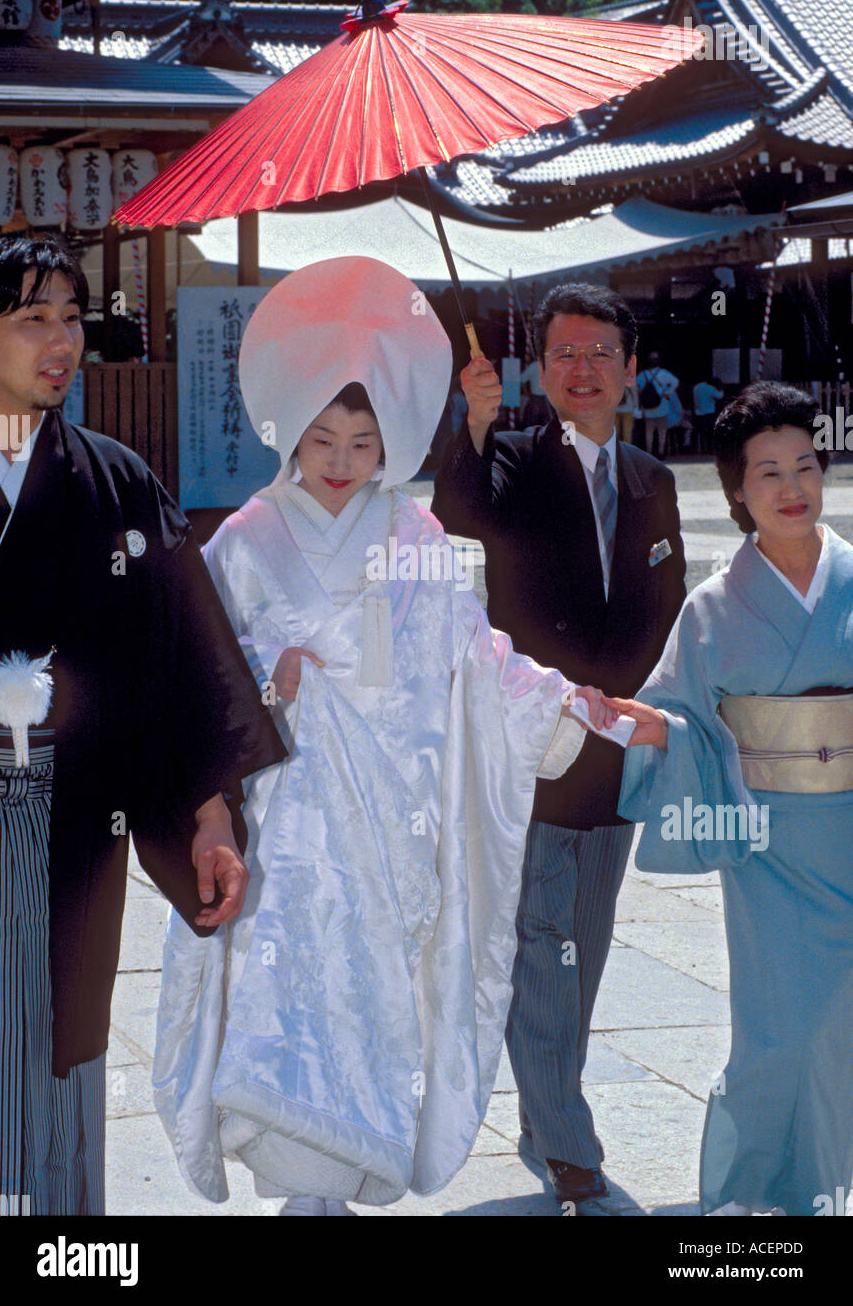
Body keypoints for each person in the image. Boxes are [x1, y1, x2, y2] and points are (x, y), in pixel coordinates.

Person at [152, 257, 611, 1216]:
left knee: (370, 1004)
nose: (340, 459)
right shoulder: (242, 540)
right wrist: (266, 666)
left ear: (388, 440)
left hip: (388, 833)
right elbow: (199, 669)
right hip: (286, 830)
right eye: (322, 436)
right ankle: (298, 1193)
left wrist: (574, 702)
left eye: (363, 440)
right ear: (291, 431)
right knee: (281, 1004)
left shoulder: (417, 537)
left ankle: (336, 1186)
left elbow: (474, 660)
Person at [0, 233, 285, 1215]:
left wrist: (208, 814)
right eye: (32, 318)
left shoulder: (113, 481)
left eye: (72, 318)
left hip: (75, 819)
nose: (61, 341)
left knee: (62, 1041)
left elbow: (186, 657)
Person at [432, 282, 686, 1213]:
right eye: (565, 355)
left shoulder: (652, 481)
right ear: (538, 371)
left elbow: (664, 610)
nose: (583, 371)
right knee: (544, 949)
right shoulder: (503, 463)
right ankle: (572, 1149)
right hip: (533, 749)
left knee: (586, 942)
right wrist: (472, 421)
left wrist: (641, 714)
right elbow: (455, 526)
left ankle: (544, 1121)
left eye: (601, 354)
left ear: (630, 371)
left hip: (617, 753)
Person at [606, 381, 853, 1216]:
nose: (794, 488)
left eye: (807, 466)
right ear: (737, 493)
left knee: (844, 1037)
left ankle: (831, 1194)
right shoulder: (713, 608)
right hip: (770, 845)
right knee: (781, 1038)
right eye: (769, 472)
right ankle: (750, 1203)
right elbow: (678, 713)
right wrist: (653, 732)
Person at [636, 351, 680, 458]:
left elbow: (636, 388)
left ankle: (649, 452)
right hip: (662, 406)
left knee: (649, 431)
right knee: (662, 431)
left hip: (647, 408)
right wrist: (667, 392)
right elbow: (676, 382)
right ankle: (661, 452)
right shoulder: (664, 373)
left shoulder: (642, 375)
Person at [692, 377, 725, 454]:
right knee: (710, 433)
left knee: (702, 433)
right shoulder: (710, 388)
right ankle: (710, 449)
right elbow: (720, 396)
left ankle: (703, 448)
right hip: (709, 414)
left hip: (698, 414)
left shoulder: (696, 387)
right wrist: (721, 388)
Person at [615, 377, 638, 444]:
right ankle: (626, 451)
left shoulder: (612, 378)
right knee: (627, 433)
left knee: (615, 432)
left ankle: (616, 451)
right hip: (628, 409)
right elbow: (635, 394)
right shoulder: (631, 380)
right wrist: (636, 407)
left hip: (615, 409)